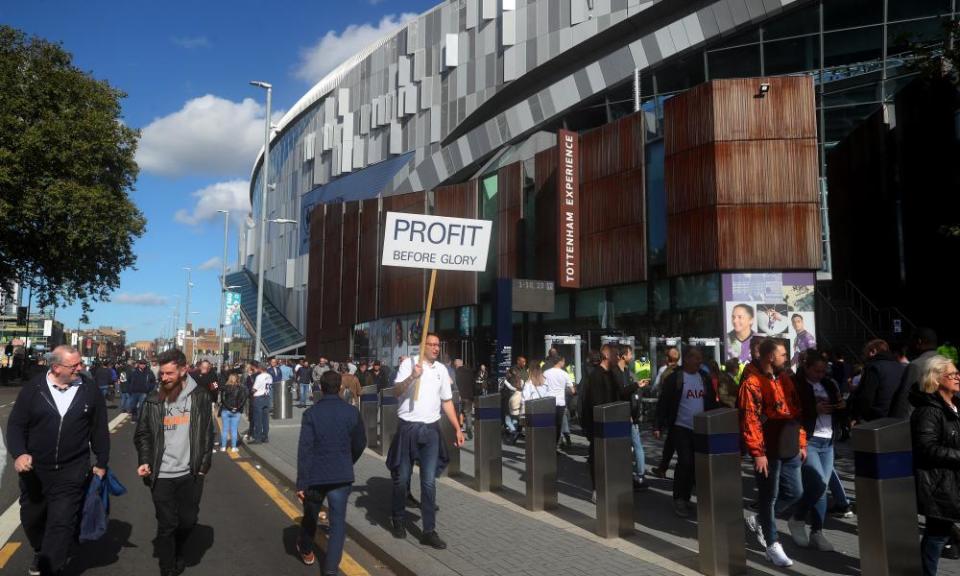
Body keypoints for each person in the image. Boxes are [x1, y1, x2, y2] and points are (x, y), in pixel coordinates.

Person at [7, 345, 109, 576]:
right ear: (56, 367)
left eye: (80, 364)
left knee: (62, 522)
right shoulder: (34, 389)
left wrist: (102, 462)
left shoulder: (89, 389)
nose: (81, 368)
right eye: (75, 366)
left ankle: (50, 567)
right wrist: (19, 453)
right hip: (35, 470)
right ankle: (41, 549)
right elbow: (16, 425)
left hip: (72, 469)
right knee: (32, 518)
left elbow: (99, 430)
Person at [134, 348, 214, 576]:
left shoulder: (200, 396)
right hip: (162, 474)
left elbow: (208, 433)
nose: (164, 378)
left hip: (190, 473)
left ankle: (179, 551)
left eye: (169, 373)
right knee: (167, 523)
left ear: (183, 370)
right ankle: (167, 567)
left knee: (188, 521)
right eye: (162, 374)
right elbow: (143, 434)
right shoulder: (153, 399)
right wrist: (145, 460)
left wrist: (203, 466)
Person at [387, 333, 464, 549]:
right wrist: (413, 376)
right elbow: (396, 391)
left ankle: (429, 530)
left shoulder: (441, 370)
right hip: (408, 427)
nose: (435, 348)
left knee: (428, 482)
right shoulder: (409, 364)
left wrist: (458, 428)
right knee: (402, 478)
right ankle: (399, 519)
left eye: (437, 345)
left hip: (430, 430)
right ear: (422, 347)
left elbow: (446, 402)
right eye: (430, 344)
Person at [738, 338, 806, 567]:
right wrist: (758, 452)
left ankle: (760, 520)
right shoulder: (751, 382)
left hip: (789, 446)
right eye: (783, 354)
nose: (786, 358)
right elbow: (750, 419)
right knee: (769, 496)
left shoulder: (785, 378)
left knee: (795, 492)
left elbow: (796, 411)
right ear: (770, 357)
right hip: (768, 449)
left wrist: (802, 440)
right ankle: (772, 544)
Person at [296, 370, 366, 574]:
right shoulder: (352, 412)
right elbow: (360, 443)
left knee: (311, 515)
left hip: (315, 475)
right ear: (341, 388)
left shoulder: (311, 414)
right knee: (337, 524)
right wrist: (348, 459)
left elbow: (305, 449)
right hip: (341, 474)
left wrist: (301, 482)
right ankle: (330, 570)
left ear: (321, 388)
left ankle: (306, 547)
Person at [789, 352, 845, 552]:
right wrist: (814, 409)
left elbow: (839, 407)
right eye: (816, 370)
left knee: (822, 488)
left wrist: (840, 407)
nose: (821, 374)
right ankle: (797, 517)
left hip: (827, 439)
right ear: (806, 367)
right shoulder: (797, 384)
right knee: (818, 484)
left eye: (823, 371)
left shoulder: (829, 384)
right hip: (809, 439)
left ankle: (817, 531)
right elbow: (793, 410)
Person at [909, 355, 960, 575]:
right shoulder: (929, 411)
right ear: (937, 379)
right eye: (952, 374)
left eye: (958, 373)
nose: (958, 377)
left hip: (952, 480)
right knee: (937, 535)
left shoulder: (953, 406)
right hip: (939, 483)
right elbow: (926, 448)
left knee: (941, 532)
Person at [655, 347, 719, 516]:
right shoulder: (676, 378)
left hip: (700, 429)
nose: (699, 361)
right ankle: (679, 499)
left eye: (701, 358)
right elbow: (664, 402)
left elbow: (711, 401)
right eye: (696, 358)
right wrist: (658, 425)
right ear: (688, 359)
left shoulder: (703, 378)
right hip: (681, 427)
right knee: (685, 462)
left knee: (695, 465)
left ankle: (686, 496)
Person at [849, 339, 906, 423]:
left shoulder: (873, 367)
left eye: (865, 353)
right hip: (897, 419)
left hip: (876, 421)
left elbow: (866, 398)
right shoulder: (901, 367)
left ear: (873, 351)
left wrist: (856, 417)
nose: (864, 356)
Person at [618, 345, 650, 490]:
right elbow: (624, 392)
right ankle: (639, 474)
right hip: (628, 414)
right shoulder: (623, 373)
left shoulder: (627, 372)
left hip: (629, 415)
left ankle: (639, 475)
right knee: (634, 445)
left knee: (635, 445)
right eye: (630, 354)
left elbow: (626, 393)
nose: (632, 357)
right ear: (623, 356)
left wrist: (638, 385)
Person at [891, 327, 940, 419]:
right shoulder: (948, 363)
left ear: (919, 341)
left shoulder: (916, 366)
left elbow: (905, 403)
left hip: (926, 423)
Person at [651, 347, 681, 479]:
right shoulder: (682, 372)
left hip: (670, 412)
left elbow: (656, 386)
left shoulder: (664, 371)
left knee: (674, 441)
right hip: (681, 411)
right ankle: (663, 467)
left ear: (667, 359)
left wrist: (658, 424)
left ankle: (663, 468)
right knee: (672, 441)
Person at [543, 356, 574, 447]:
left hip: (548, 401)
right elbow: (572, 390)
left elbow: (543, 386)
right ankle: (555, 445)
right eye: (563, 362)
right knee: (558, 424)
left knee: (549, 424)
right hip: (560, 402)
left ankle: (548, 443)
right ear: (560, 362)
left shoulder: (546, 373)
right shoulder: (564, 374)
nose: (564, 364)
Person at [219, 373, 247, 452]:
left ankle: (223, 447)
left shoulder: (225, 388)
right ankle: (234, 447)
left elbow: (223, 399)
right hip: (236, 411)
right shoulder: (241, 388)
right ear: (237, 379)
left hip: (226, 410)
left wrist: (229, 408)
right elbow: (243, 399)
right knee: (234, 430)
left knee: (225, 429)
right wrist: (237, 408)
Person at [250, 361, 272, 444]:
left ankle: (257, 438)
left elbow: (254, 389)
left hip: (259, 398)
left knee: (258, 419)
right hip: (267, 397)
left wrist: (250, 391)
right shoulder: (269, 376)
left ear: (260, 368)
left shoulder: (259, 377)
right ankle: (265, 437)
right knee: (265, 419)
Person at [454, 359, 476, 440]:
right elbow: (473, 384)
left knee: (457, 413)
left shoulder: (456, 373)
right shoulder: (469, 372)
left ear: (456, 365)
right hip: (468, 396)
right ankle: (469, 427)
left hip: (459, 396)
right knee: (468, 413)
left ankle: (458, 429)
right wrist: (473, 396)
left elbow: (455, 384)